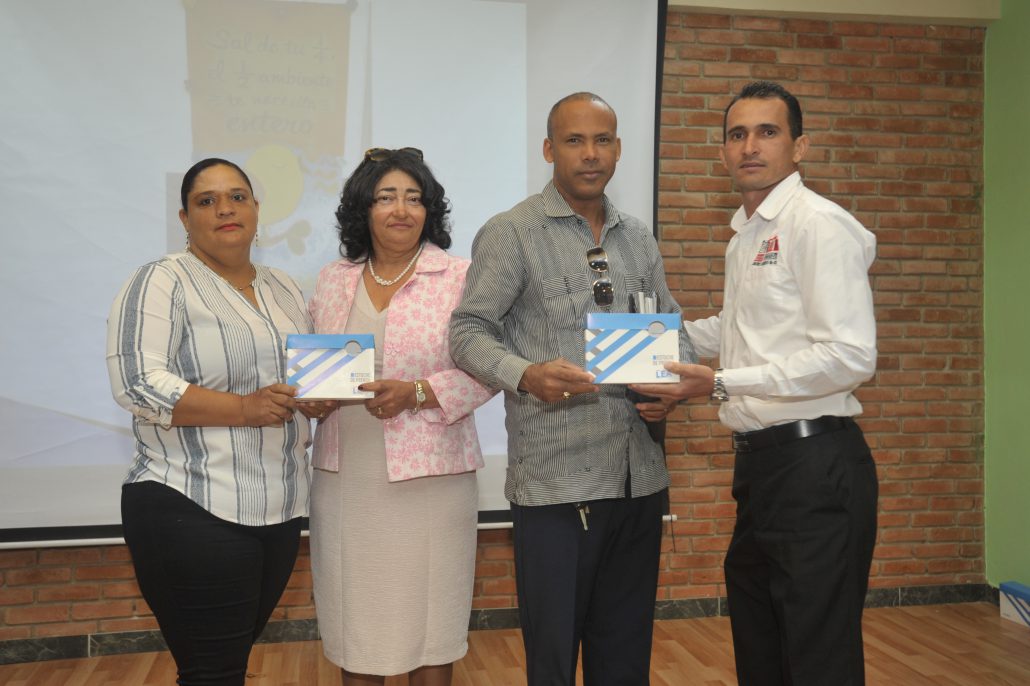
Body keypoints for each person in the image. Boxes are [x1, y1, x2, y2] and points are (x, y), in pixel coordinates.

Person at [632, 81, 879, 685]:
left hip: (815, 466)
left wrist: (719, 384)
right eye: (737, 134)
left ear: (800, 147)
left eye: (768, 132)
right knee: (761, 643)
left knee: (817, 659)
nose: (750, 146)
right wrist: (646, 344)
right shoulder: (747, 234)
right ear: (722, 150)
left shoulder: (817, 224)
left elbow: (850, 356)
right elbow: (738, 328)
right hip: (762, 470)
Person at [449, 92, 696, 685]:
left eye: (602, 140)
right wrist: (525, 375)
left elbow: (672, 326)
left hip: (638, 479)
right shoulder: (512, 232)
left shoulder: (637, 238)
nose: (590, 154)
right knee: (554, 662)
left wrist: (674, 383)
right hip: (556, 488)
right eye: (575, 140)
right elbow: (467, 331)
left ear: (618, 148)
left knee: (625, 660)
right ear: (548, 149)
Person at [107, 158, 332, 686]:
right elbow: (138, 383)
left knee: (227, 664)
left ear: (256, 209)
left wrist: (313, 398)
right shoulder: (161, 280)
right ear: (185, 218)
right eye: (206, 201)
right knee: (213, 672)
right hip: (189, 500)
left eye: (237, 197)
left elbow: (295, 378)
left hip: (279, 506)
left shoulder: (283, 287)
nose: (225, 209)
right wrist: (245, 409)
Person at [307, 147, 494, 686]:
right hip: (347, 476)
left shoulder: (461, 277)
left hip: (433, 480)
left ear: (429, 210)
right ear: (362, 209)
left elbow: (490, 368)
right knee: (357, 624)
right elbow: (314, 367)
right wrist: (311, 399)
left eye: (414, 198)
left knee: (432, 624)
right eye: (386, 197)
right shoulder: (332, 279)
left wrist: (417, 392)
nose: (401, 209)